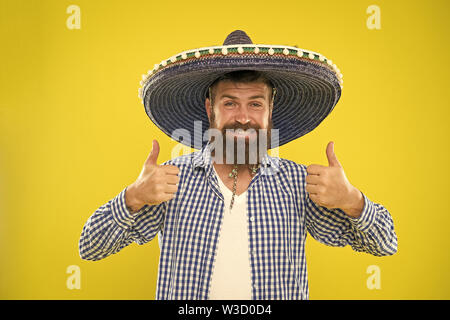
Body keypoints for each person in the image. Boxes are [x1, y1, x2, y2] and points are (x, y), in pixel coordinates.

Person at [79, 30, 397, 300]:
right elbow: (90, 248)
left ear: (271, 110)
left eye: (255, 104)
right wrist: (133, 197)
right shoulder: (171, 181)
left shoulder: (299, 184)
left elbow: (385, 244)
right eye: (230, 103)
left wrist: (353, 202)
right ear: (210, 109)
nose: (243, 117)